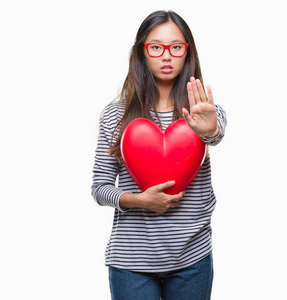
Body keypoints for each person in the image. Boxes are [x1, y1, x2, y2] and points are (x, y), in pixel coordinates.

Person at [91, 10, 227, 300]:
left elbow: (215, 134)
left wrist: (210, 129)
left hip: (193, 259)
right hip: (131, 264)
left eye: (176, 47)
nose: (166, 56)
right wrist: (138, 201)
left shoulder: (203, 110)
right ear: (142, 52)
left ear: (187, 52)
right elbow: (100, 188)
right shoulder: (116, 115)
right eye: (156, 47)